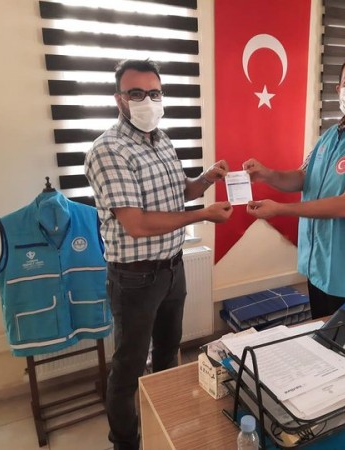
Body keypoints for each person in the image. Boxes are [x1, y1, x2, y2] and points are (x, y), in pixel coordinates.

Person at [84, 59, 233, 450]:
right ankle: (126, 443)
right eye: (136, 93)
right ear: (119, 99)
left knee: (169, 354)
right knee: (129, 369)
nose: (147, 101)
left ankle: (166, 429)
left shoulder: (162, 139)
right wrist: (202, 215)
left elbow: (180, 191)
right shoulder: (108, 150)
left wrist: (207, 179)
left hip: (171, 269)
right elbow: (136, 223)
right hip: (134, 278)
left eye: (154, 93)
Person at [243, 51, 345, 319]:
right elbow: (303, 178)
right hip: (318, 263)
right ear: (338, 89)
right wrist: (267, 174)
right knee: (320, 334)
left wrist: (281, 210)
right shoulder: (331, 136)